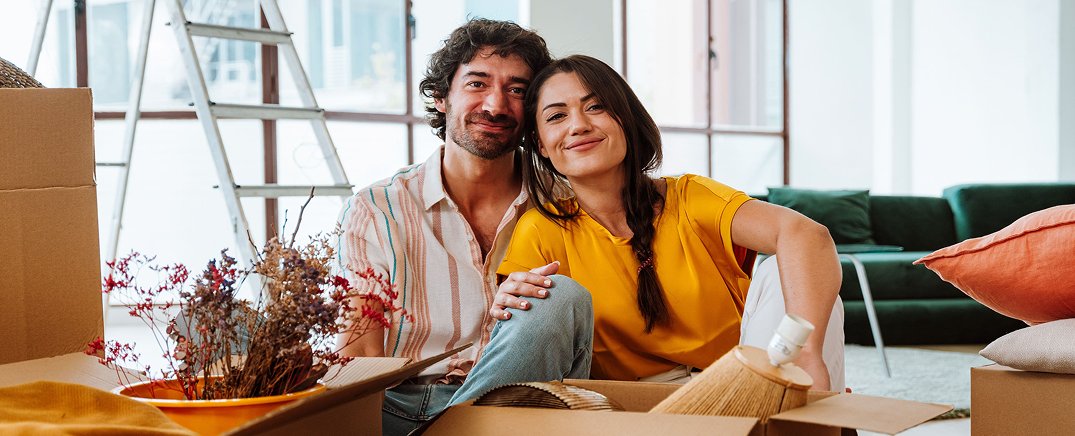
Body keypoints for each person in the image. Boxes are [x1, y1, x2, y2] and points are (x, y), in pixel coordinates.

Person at [447, 54, 845, 402]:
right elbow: (534, 338)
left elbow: (806, 235)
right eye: (557, 116)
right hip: (630, 405)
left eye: (597, 107)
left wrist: (807, 352)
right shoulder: (541, 229)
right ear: (540, 143)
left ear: (626, 119)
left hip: (741, 383)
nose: (579, 125)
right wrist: (511, 310)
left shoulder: (689, 198)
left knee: (788, 271)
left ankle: (798, 404)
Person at [334, 18, 562, 436]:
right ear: (441, 96)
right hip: (398, 406)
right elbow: (359, 347)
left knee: (561, 298)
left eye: (517, 90)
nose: (496, 105)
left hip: (512, 407)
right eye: (477, 83)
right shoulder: (377, 209)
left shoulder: (562, 202)